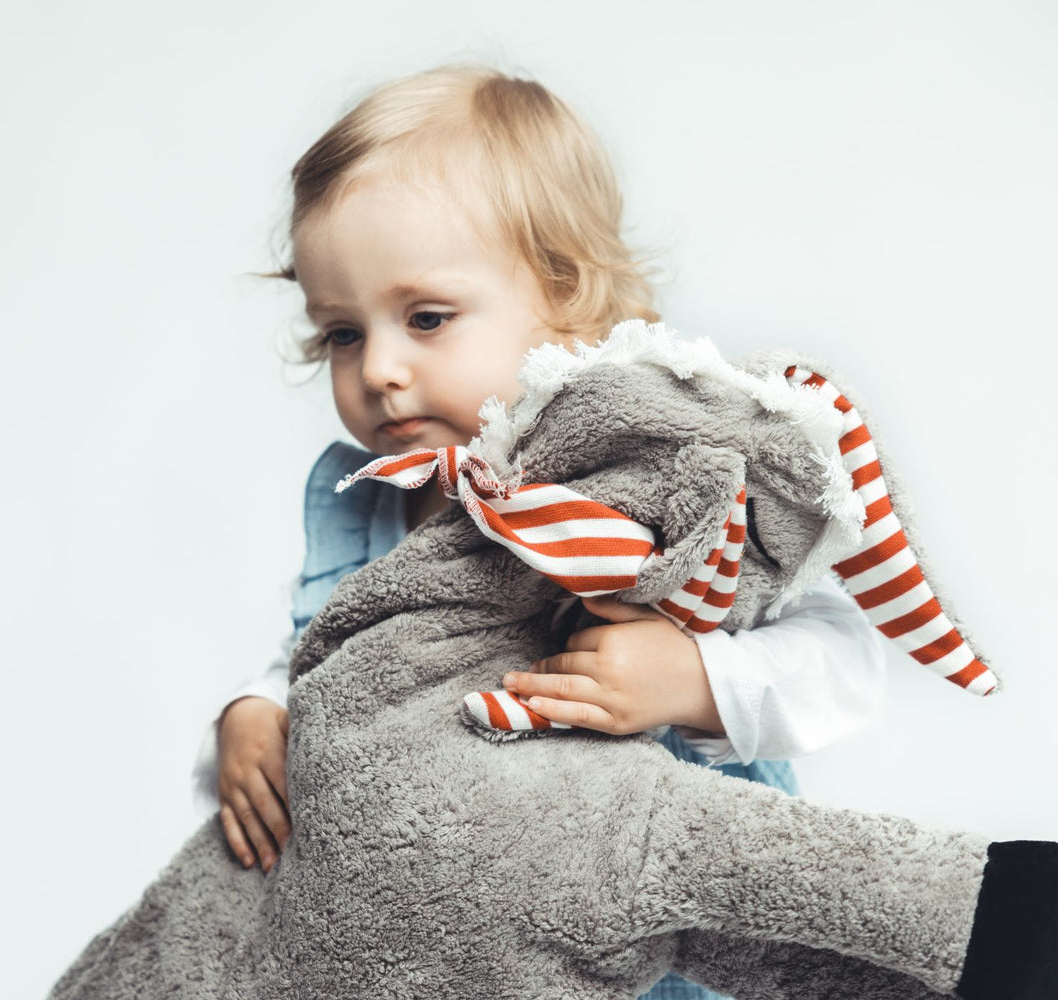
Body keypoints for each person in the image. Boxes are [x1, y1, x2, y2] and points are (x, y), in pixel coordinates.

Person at [189, 62, 887, 1000]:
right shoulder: (375, 509)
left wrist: (697, 681)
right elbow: (328, 660)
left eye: (426, 318)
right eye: (342, 334)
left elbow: (844, 657)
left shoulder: (650, 480)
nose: (381, 369)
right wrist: (254, 710)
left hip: (658, 953)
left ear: (564, 298)